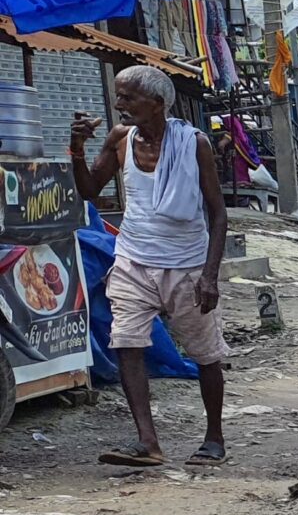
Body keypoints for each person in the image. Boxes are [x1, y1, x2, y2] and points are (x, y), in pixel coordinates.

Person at [70, 65, 230, 468]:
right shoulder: (120, 139)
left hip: (186, 265)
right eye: (118, 96)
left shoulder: (194, 144)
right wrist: (76, 148)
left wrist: (210, 275)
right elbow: (90, 190)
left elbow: (218, 214)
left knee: (205, 354)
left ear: (157, 104)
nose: (119, 104)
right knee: (126, 343)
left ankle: (214, 438)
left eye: (128, 97)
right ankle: (147, 441)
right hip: (133, 260)